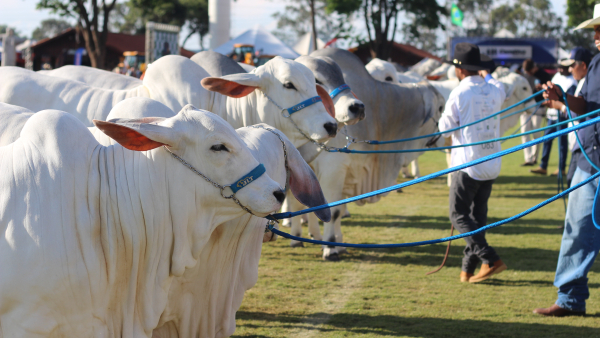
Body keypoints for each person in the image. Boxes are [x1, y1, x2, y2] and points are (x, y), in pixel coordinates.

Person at [534, 5, 600, 317]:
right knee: (577, 229)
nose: (597, 36)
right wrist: (563, 99)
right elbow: (588, 106)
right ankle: (571, 300)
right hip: (590, 161)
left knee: (579, 230)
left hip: (593, 162)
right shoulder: (597, 64)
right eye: (595, 30)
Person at [440, 43, 507, 283]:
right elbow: (500, 86)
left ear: (459, 70)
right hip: (491, 164)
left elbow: (445, 128)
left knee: (458, 215)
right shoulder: (495, 89)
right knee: (476, 219)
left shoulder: (459, 92)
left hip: (468, 165)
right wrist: (486, 73)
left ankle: (491, 259)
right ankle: (467, 270)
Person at [529, 59, 578, 176]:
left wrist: (556, 103)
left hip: (562, 115)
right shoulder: (556, 76)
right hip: (552, 114)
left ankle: (561, 169)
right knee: (546, 139)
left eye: (563, 67)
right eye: (559, 67)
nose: (560, 69)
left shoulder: (572, 81)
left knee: (562, 143)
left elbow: (567, 101)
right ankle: (543, 166)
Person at [520, 59, 553, 166]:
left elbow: (549, 92)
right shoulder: (524, 76)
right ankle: (528, 159)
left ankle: (534, 157)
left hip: (539, 106)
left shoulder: (544, 75)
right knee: (524, 132)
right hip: (525, 107)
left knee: (536, 133)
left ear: (533, 68)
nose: (528, 74)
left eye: (529, 72)